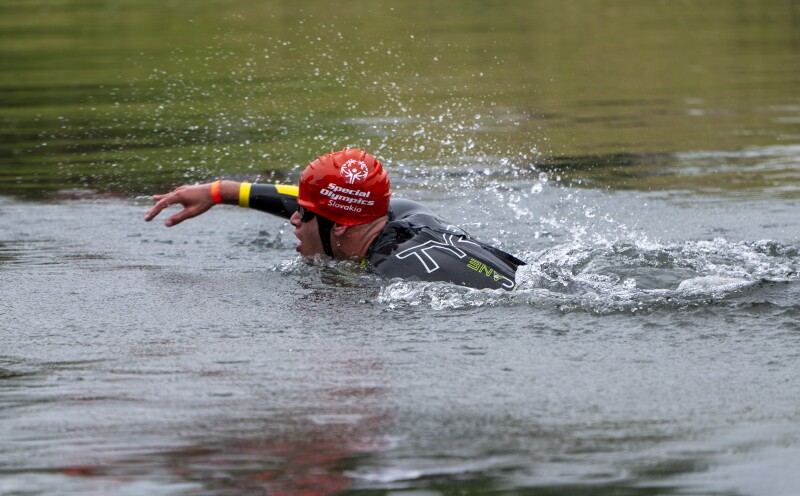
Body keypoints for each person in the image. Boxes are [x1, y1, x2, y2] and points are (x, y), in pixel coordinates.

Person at [145, 148, 525, 290]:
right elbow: (305, 200)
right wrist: (220, 192)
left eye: (304, 215)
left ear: (341, 226)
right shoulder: (399, 211)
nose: (293, 219)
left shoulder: (390, 274)